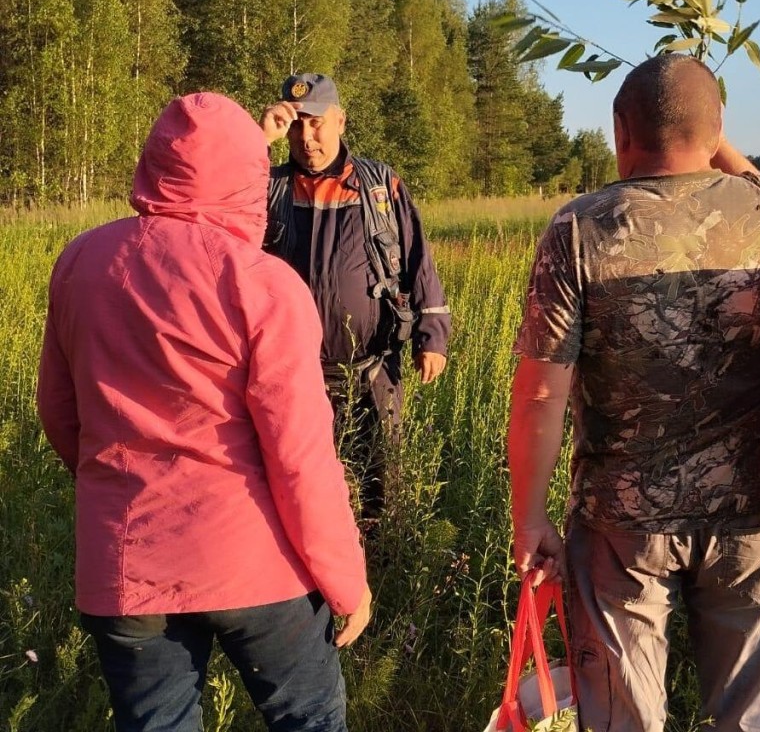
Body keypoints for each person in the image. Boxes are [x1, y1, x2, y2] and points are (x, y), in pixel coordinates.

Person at [37, 92, 370, 732]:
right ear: (250, 173)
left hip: (127, 562)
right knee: (309, 718)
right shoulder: (265, 282)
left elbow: (59, 411)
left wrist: (116, 490)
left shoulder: (81, 261)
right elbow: (299, 456)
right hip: (257, 562)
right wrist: (345, 579)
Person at [508, 54, 760, 732]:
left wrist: (530, 521)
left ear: (620, 129)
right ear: (719, 129)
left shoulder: (580, 228)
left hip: (623, 524)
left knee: (624, 714)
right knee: (759, 714)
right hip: (755, 512)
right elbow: (747, 172)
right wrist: (710, 131)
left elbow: (540, 395)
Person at [260, 73, 451, 524]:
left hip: (373, 369)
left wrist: (433, 336)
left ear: (340, 120)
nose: (307, 137)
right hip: (294, 377)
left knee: (380, 487)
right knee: (300, 493)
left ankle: (381, 574)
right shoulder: (265, 189)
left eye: (316, 123)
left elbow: (417, 259)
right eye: (295, 125)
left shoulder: (379, 186)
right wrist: (255, 143)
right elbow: (209, 206)